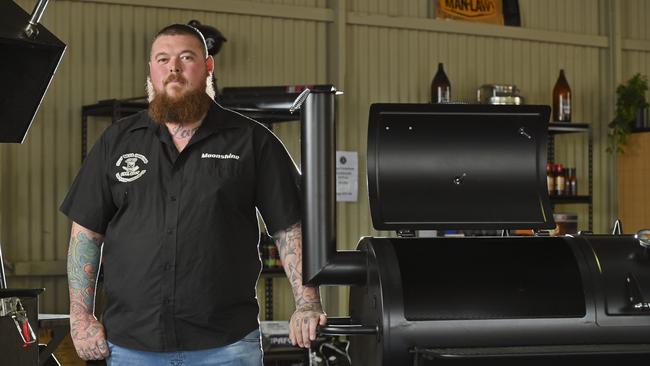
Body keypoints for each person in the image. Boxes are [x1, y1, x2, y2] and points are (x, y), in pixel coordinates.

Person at [61, 23, 326, 365]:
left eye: (186, 57)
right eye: (162, 59)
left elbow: (290, 228)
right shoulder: (116, 142)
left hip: (226, 345)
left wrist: (307, 303)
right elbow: (86, 233)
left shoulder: (252, 141)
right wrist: (80, 318)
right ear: (151, 70)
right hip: (132, 346)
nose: (173, 68)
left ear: (208, 66)